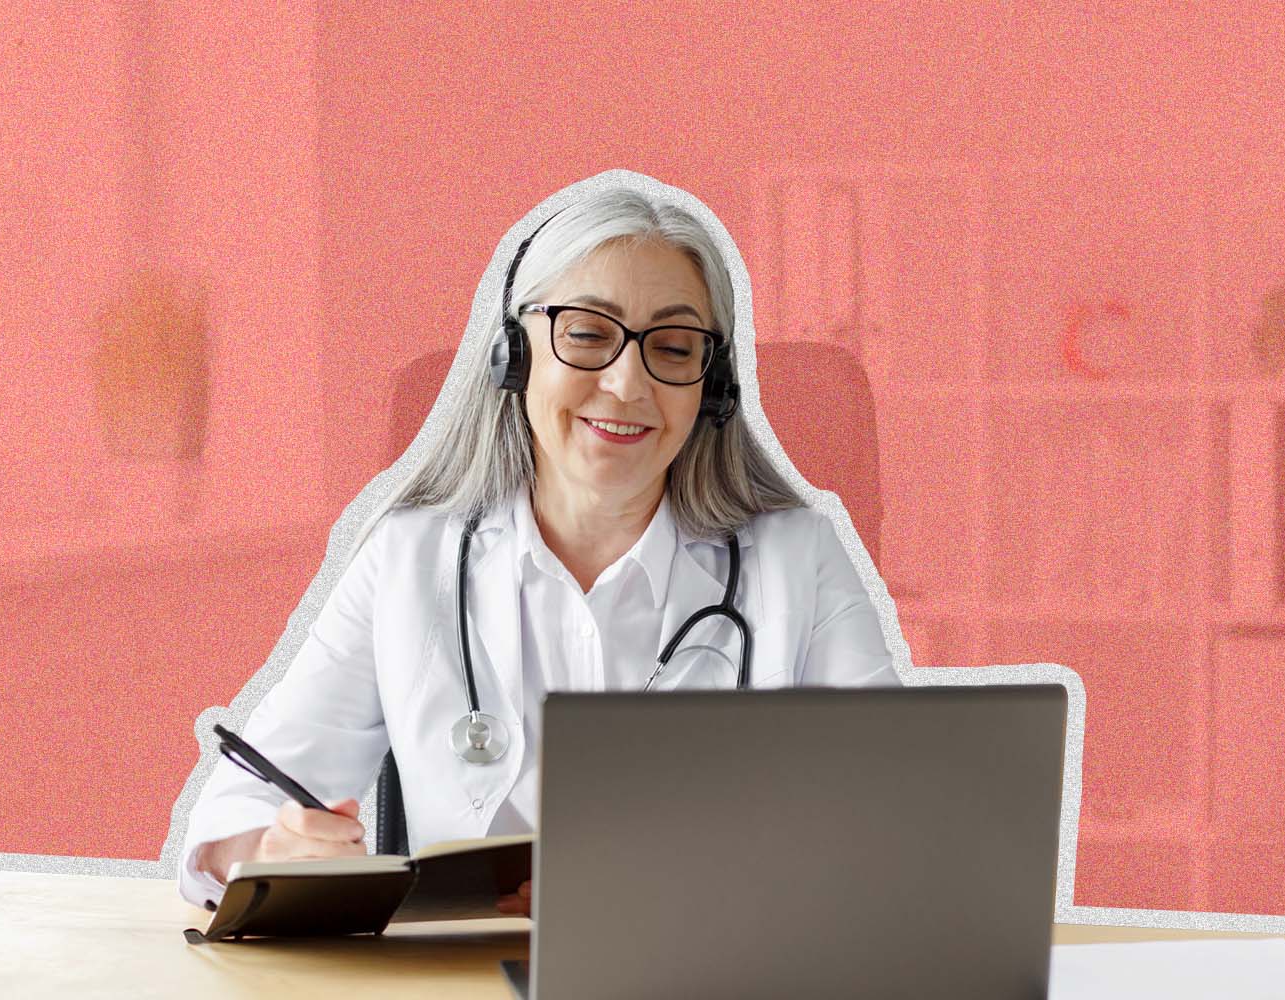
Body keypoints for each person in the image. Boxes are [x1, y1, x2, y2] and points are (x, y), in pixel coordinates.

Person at [174, 182, 900, 915]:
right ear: (514, 356)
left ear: (711, 389)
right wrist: (268, 850)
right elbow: (238, 812)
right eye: (587, 334)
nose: (626, 384)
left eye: (674, 348)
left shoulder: (798, 559)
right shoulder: (408, 562)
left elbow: (894, 825)